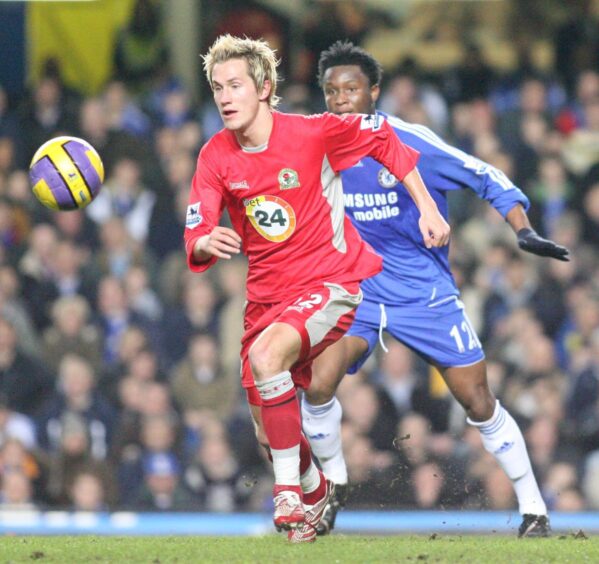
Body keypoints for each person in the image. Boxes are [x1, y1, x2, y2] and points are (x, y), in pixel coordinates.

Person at [184, 34, 450, 542]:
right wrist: (203, 243)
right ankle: (314, 486)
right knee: (267, 428)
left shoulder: (313, 133)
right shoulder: (215, 154)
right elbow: (196, 227)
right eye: (217, 87)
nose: (224, 97)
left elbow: (387, 141)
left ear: (264, 87)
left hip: (329, 281)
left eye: (235, 85)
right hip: (265, 298)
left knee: (267, 361)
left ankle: (285, 494)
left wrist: (429, 209)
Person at [302, 41, 570, 538]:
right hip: (356, 291)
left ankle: (534, 507)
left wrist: (522, 228)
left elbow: (485, 175)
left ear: (374, 92)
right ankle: (334, 481)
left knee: (477, 399)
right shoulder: (314, 147)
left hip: (422, 293)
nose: (340, 99)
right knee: (317, 382)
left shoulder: (412, 142)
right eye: (332, 91)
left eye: (352, 89)